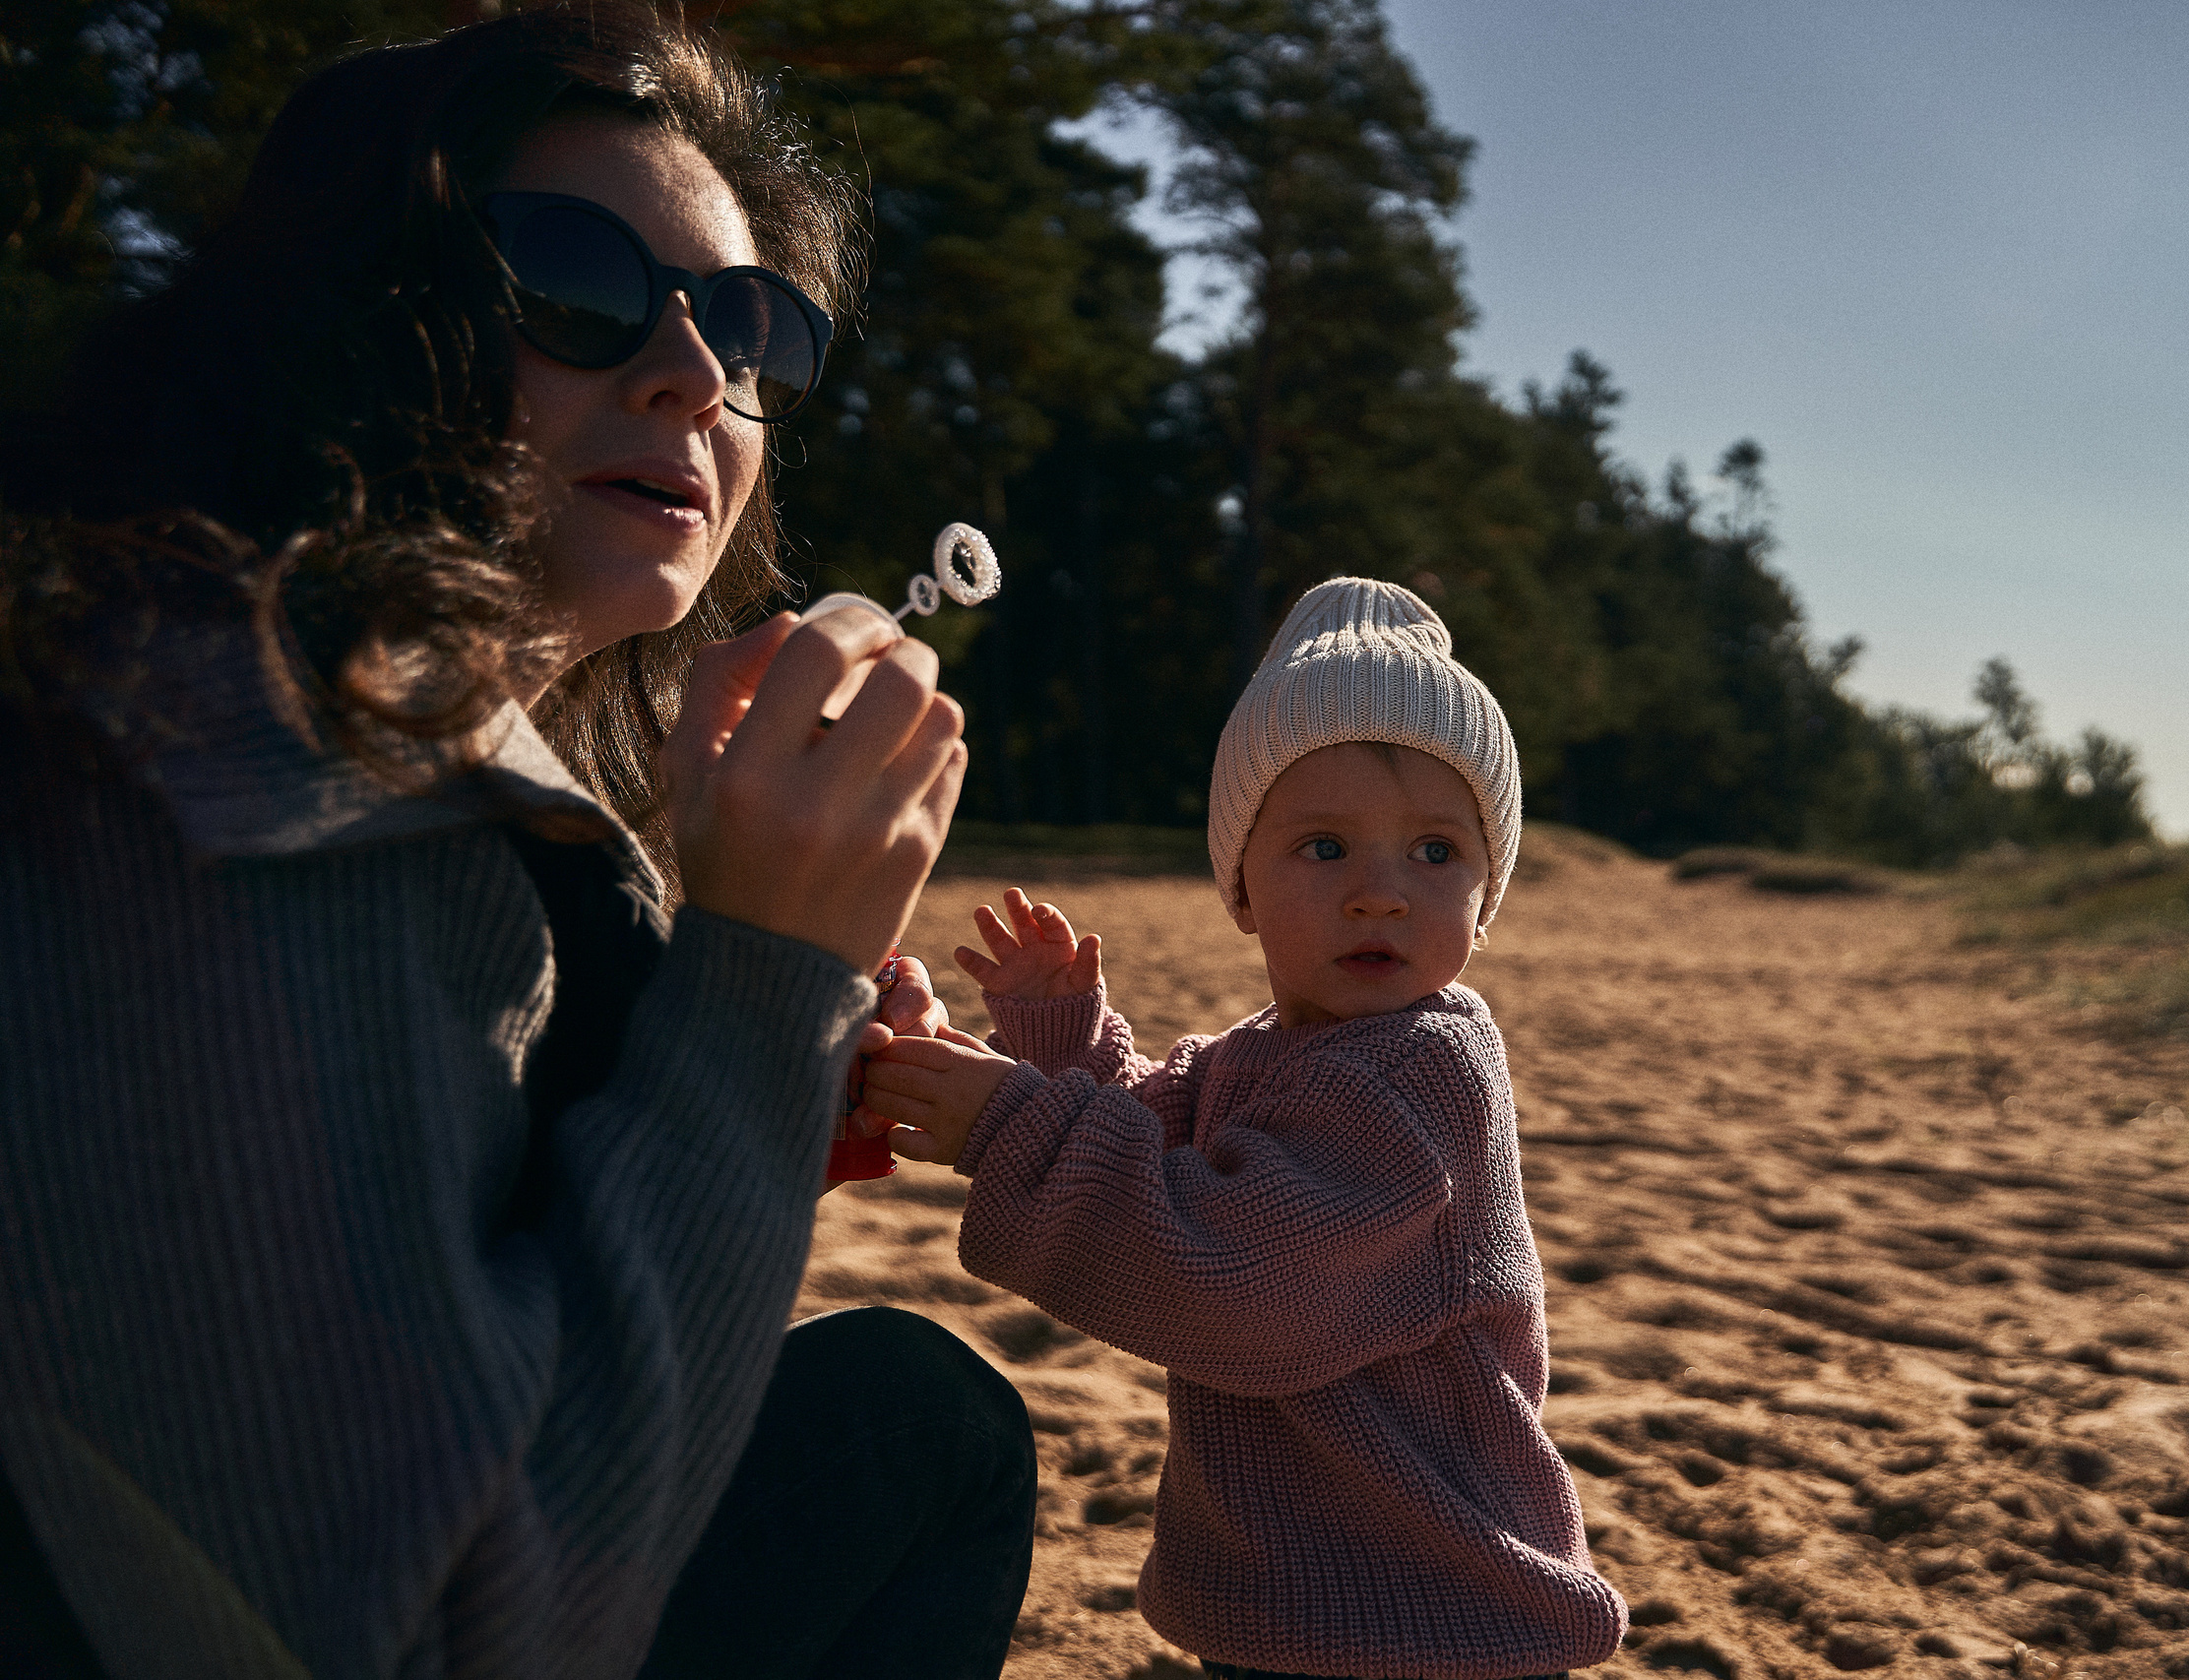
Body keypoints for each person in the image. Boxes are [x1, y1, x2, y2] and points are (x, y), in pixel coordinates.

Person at [0, 6, 1032, 1677]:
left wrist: (692, 1060)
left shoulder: (220, 679)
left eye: (749, 325)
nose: (697, 374)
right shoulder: (275, 782)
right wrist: (770, 982)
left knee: (913, 1417)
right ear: (360, 322)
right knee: (930, 1433)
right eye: (569, 279)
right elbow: (472, 1631)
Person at [864, 578, 1630, 1680]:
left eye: (1434, 852)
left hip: (1440, 1612)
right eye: (1323, 849)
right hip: (1300, 1603)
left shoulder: (1426, 1068)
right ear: (1240, 890)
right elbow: (1151, 1143)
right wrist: (1056, 1041)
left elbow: (1230, 1269)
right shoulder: (1257, 1053)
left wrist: (1009, 1124)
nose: (1380, 893)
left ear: (1486, 889)